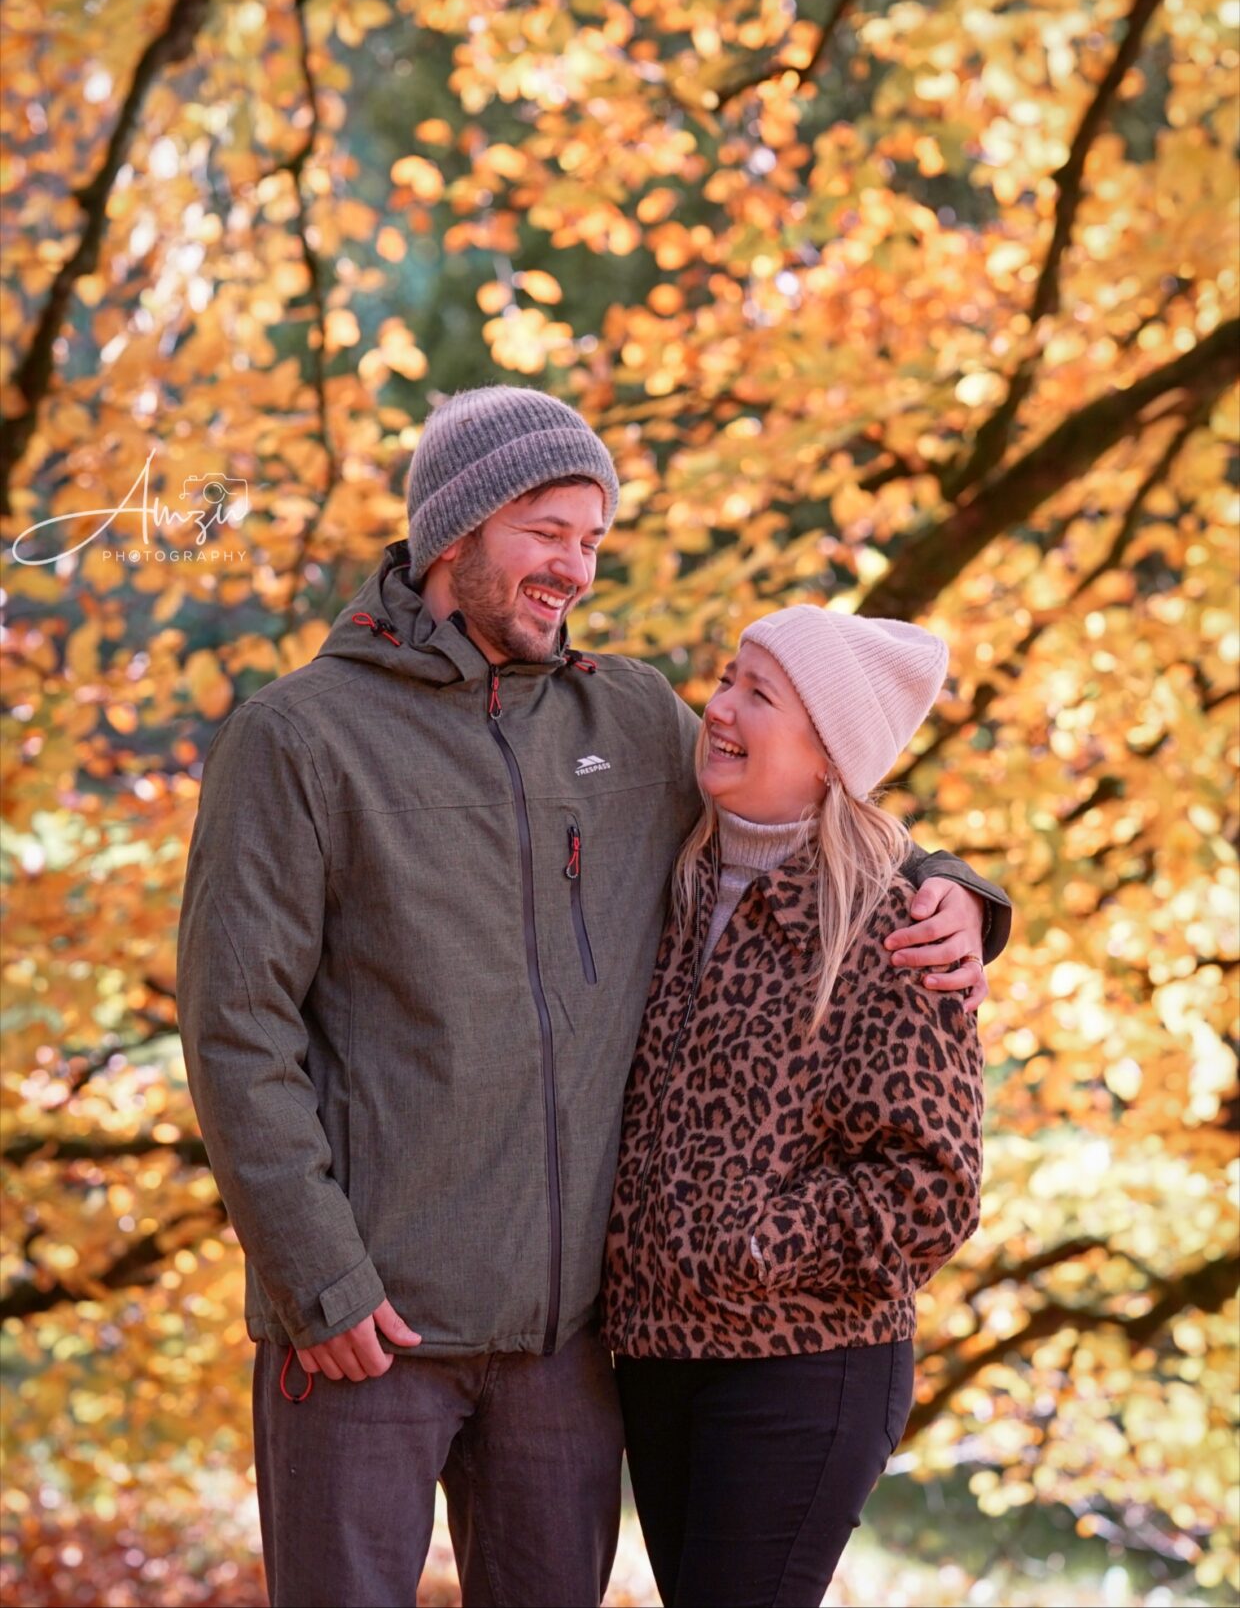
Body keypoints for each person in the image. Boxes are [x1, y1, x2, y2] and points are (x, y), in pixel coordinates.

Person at [176, 386, 1011, 1608]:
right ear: (451, 532)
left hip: (568, 1347)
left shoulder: (626, 717)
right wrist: (317, 1278)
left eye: (593, 538)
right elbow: (235, 1030)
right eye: (546, 528)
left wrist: (956, 888)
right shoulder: (299, 740)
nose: (575, 565)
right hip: (366, 1326)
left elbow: (804, 785)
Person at [600, 606, 989, 1608]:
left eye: (758, 694)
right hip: (656, 1352)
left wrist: (753, 1247)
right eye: (728, 677)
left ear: (828, 755)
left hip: (803, 1362)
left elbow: (932, 1185)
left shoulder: (891, 924)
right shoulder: (665, 878)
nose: (720, 706)